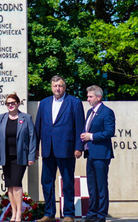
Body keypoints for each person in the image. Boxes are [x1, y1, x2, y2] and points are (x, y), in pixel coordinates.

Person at [35, 76, 85, 222]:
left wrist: (78, 147)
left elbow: (79, 126)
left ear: (64, 87)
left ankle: (69, 214)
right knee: (46, 182)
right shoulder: (44, 103)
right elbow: (38, 126)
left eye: (60, 86)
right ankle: (49, 213)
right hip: (48, 149)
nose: (58, 88)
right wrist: (36, 148)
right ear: (51, 87)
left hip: (67, 148)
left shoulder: (74, 102)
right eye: (55, 86)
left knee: (68, 182)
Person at [0, 93, 36, 222]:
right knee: (10, 186)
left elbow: (32, 138)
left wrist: (31, 156)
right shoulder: (1, 118)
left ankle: (18, 214)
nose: (10, 105)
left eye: (12, 103)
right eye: (8, 104)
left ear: (18, 104)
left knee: (16, 185)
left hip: (20, 156)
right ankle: (13, 212)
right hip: (5, 156)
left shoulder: (26, 118)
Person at [79, 85, 115, 222]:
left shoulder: (107, 112)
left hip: (101, 154)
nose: (87, 99)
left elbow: (109, 132)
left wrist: (91, 136)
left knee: (101, 185)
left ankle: (101, 215)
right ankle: (91, 213)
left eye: (90, 96)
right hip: (90, 154)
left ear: (99, 97)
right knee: (91, 185)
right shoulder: (89, 112)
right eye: (87, 96)